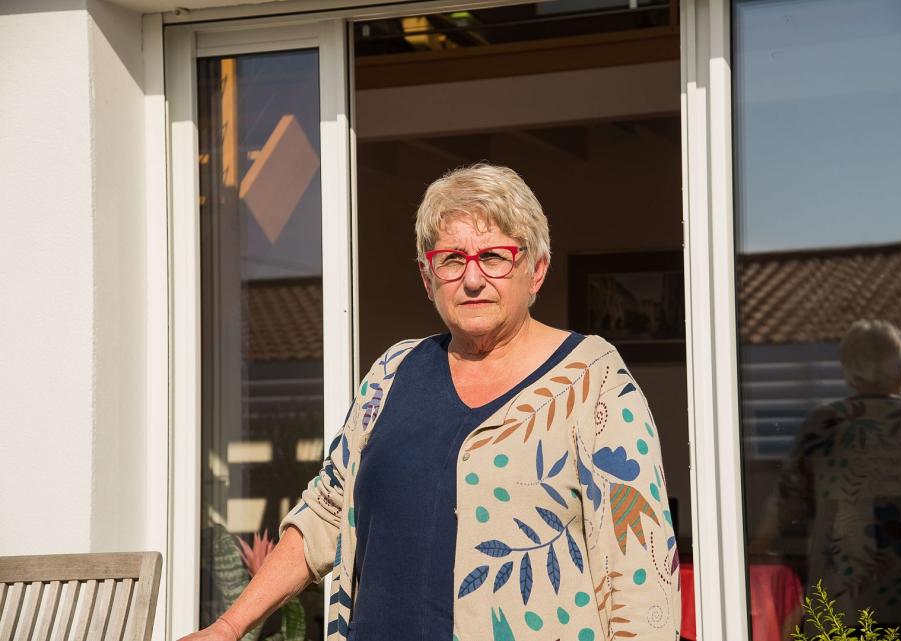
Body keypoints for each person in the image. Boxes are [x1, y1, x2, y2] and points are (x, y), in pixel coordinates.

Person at [181, 163, 681, 641]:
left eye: (494, 256)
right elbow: (325, 513)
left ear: (537, 270)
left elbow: (641, 574)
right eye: (451, 260)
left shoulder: (592, 380)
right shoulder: (393, 373)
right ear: (427, 277)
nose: (472, 278)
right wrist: (228, 627)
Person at [755, 319, 901, 638]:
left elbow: (785, 503)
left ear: (849, 373)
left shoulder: (825, 424)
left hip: (848, 601)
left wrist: (755, 548)